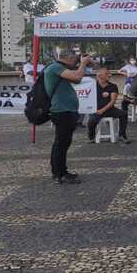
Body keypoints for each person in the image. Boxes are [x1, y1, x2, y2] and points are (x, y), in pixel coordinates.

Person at [44, 49, 91, 184]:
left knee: (62, 143)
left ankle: (60, 171)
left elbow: (76, 80)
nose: (76, 61)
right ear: (69, 58)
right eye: (75, 59)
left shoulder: (59, 69)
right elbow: (77, 77)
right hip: (61, 111)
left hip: (66, 110)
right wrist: (83, 63)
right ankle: (60, 174)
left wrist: (83, 65)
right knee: (61, 143)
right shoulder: (55, 67)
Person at [87, 67, 131, 144]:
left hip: (110, 109)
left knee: (123, 114)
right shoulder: (92, 86)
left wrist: (102, 110)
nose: (109, 75)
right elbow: (87, 99)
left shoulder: (113, 86)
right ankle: (91, 136)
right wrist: (93, 109)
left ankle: (122, 135)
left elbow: (112, 101)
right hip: (96, 110)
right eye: (107, 74)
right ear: (100, 76)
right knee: (91, 121)